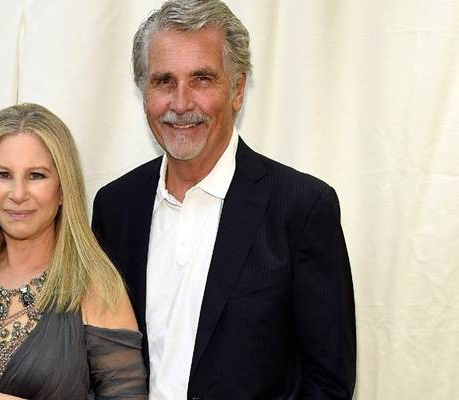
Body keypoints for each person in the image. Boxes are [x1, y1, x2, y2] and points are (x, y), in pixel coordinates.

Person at [91, 1, 356, 399]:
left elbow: (329, 382)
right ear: (144, 91)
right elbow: (97, 359)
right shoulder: (115, 208)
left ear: (237, 89)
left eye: (201, 79)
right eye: (164, 81)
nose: (181, 104)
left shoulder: (301, 208)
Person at [0, 103, 148, 400]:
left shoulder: (96, 287)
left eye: (36, 175)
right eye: (3, 174)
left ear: (63, 189)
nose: (18, 194)